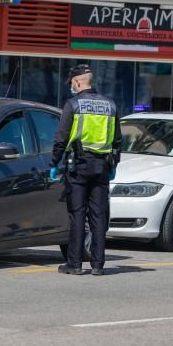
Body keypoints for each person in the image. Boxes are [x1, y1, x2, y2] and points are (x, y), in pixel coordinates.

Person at [50, 64, 121, 276]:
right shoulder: (110, 105)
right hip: (102, 167)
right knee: (98, 217)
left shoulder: (73, 105)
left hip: (78, 166)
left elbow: (61, 138)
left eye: (72, 82)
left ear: (78, 82)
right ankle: (98, 265)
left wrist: (54, 163)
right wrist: (114, 165)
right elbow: (117, 140)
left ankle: (75, 264)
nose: (71, 86)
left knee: (77, 215)